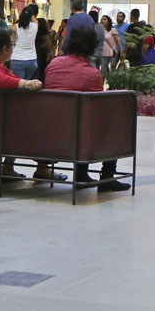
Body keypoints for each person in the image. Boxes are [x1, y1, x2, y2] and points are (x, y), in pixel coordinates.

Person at [0, 29, 67, 183]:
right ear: (5, 49)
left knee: (22, 121)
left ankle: (9, 168)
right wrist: (24, 83)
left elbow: (4, 78)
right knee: (41, 122)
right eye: (13, 45)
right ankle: (42, 168)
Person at [44, 26, 130, 191]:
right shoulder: (92, 74)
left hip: (51, 134)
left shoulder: (53, 65)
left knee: (79, 121)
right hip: (80, 139)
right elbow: (97, 111)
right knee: (112, 125)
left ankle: (81, 174)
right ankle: (106, 178)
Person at [10, 3, 40, 81]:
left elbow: (11, 41)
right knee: (27, 83)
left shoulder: (15, 27)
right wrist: (30, 12)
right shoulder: (34, 26)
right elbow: (35, 20)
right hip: (31, 59)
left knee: (19, 83)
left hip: (17, 58)